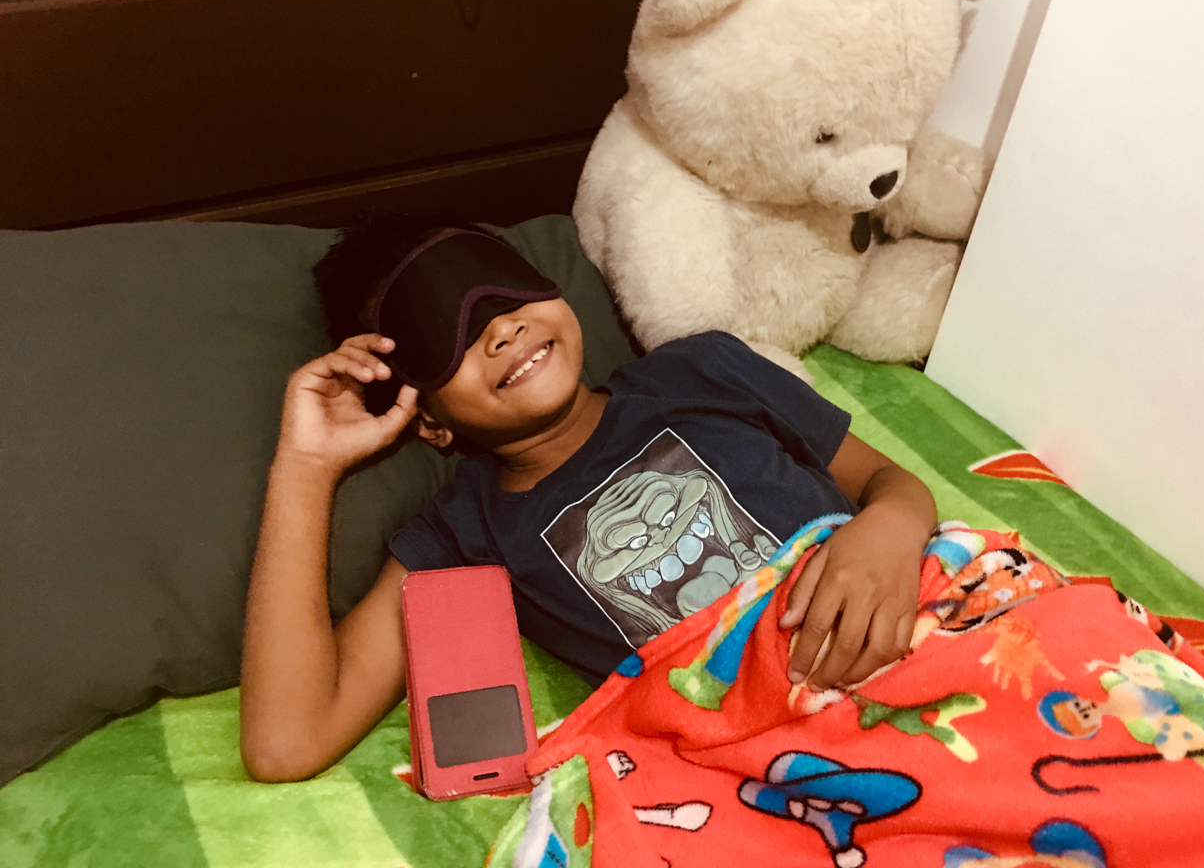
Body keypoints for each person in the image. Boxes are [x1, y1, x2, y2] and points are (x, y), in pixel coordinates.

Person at [239, 215, 937, 783]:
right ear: (429, 420)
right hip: (791, 751)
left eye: (504, 291)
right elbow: (286, 742)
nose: (501, 328)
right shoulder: (467, 532)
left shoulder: (703, 371)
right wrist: (305, 465)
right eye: (444, 330)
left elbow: (893, 485)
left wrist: (889, 528)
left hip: (927, 632)